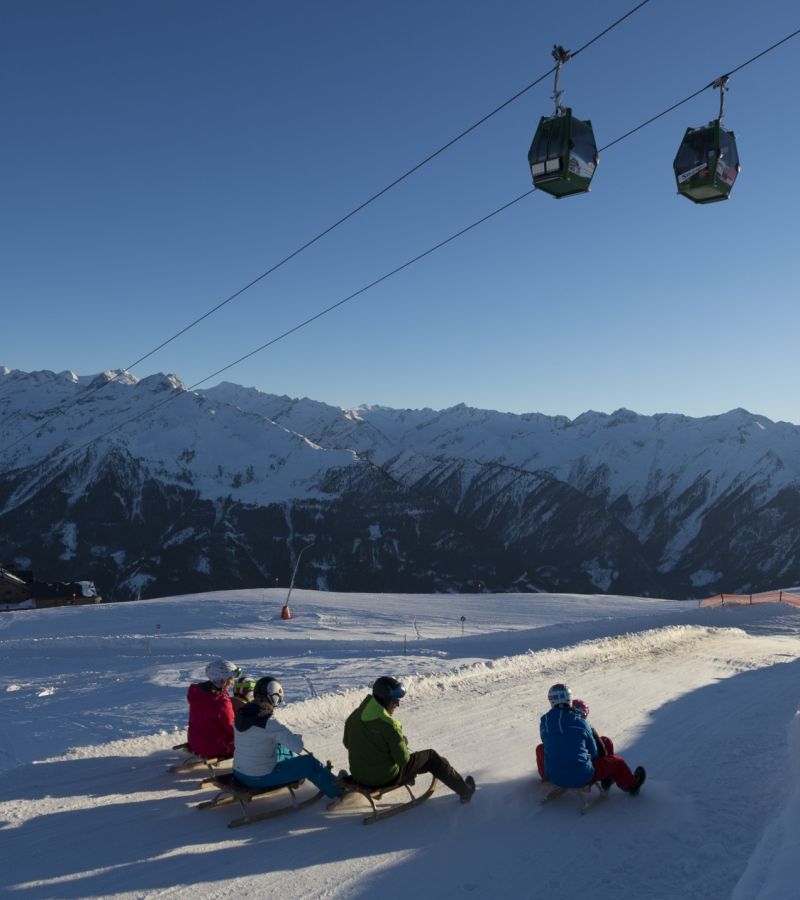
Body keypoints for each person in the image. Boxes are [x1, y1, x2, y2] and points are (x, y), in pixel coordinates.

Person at [343, 676, 476, 803]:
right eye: (395, 700)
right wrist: (403, 743)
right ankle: (465, 791)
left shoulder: (355, 715)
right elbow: (402, 759)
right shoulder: (389, 725)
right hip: (384, 779)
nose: (397, 704)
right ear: (385, 699)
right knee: (431, 757)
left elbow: (347, 743)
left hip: (358, 775)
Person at [232, 676, 343, 798]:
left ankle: (295, 773)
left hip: (239, 773)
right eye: (277, 699)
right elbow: (298, 746)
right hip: (258, 778)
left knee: (282, 749)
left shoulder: (241, 713)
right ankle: (339, 791)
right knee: (309, 763)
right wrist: (294, 736)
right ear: (273, 697)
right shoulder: (268, 721)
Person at [538, 683, 645, 795]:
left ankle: (546, 777)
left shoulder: (544, 721)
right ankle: (631, 786)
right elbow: (594, 753)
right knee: (617, 761)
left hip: (553, 775)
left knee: (540, 748)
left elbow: (546, 742)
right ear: (569, 698)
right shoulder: (581, 723)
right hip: (581, 777)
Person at [536, 697, 614, 780]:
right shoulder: (586, 728)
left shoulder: (556, 726)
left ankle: (546, 776)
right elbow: (596, 752)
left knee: (540, 748)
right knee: (606, 741)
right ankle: (608, 775)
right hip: (582, 769)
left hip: (558, 769)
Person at [186, 658, 240, 759]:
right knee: (250, 740)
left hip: (194, 742)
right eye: (230, 679)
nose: (232, 682)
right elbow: (232, 728)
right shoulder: (221, 701)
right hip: (215, 747)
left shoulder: (197, 693)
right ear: (222, 679)